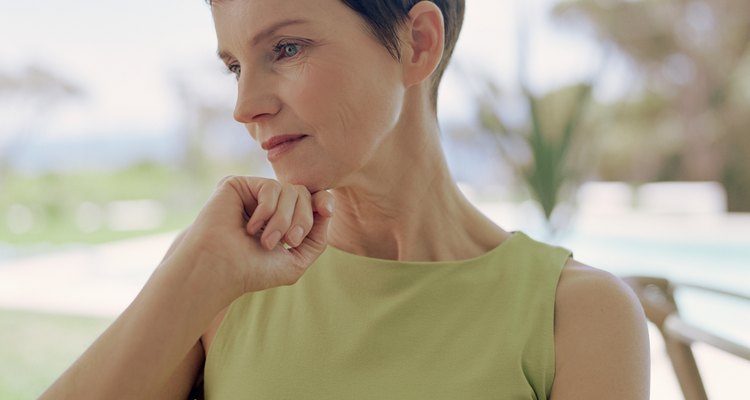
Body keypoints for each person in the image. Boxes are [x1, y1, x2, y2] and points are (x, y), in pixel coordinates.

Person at [41, 0, 650, 398]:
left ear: (417, 43)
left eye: (286, 49)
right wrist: (194, 274)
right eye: (234, 65)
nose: (244, 105)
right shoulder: (224, 283)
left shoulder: (577, 316)